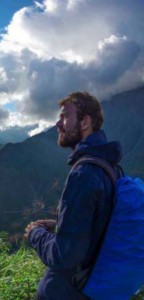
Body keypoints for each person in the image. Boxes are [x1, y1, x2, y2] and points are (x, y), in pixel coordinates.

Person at [24, 91, 122, 299]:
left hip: (69, 291)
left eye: (65, 116)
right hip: (94, 284)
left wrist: (35, 234)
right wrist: (61, 224)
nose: (58, 124)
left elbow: (63, 256)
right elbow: (100, 225)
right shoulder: (110, 166)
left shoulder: (84, 173)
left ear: (85, 122)